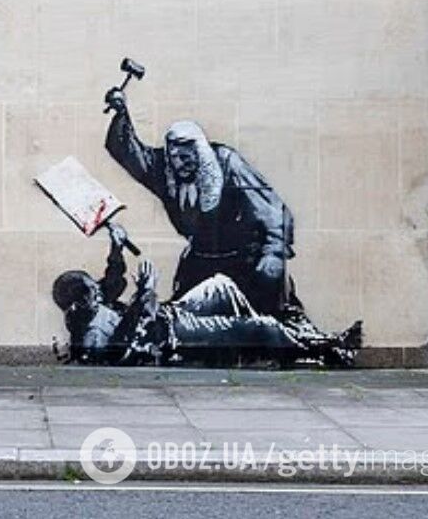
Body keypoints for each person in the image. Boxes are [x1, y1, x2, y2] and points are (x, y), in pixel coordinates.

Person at [52, 225, 362, 368]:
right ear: (80, 301)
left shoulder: (93, 306)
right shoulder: (92, 334)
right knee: (260, 327)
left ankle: (280, 341)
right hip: (173, 334)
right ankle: (326, 347)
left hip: (169, 313)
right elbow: (122, 353)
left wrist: (116, 245)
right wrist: (145, 293)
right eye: (92, 288)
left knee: (221, 285)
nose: (99, 288)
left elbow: (113, 281)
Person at [103, 86, 297, 315]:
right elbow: (129, 153)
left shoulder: (227, 163)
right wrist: (121, 112)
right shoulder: (166, 171)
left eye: (185, 158)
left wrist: (274, 252)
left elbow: (271, 208)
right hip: (200, 262)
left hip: (244, 263)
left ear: (200, 153)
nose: (179, 165)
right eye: (173, 157)